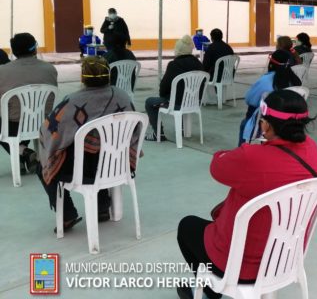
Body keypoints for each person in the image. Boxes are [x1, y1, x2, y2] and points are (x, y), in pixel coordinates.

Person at [176, 89, 317, 299]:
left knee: (187, 226)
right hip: (284, 258)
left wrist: (249, 146)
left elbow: (217, 166)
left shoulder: (252, 157)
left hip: (242, 266)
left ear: (265, 124)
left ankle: (210, 288)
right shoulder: (312, 149)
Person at [33, 56, 137, 231]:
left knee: (45, 163)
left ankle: (67, 215)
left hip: (86, 170)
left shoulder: (73, 101)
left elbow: (49, 131)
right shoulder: (123, 96)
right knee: (98, 148)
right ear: (109, 76)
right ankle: (102, 207)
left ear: (82, 78)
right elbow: (135, 131)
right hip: (118, 164)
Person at [0, 33, 57, 174]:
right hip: (44, 123)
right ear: (34, 49)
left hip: (13, 125)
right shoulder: (50, 69)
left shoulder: (3, 71)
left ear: (13, 51)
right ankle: (24, 157)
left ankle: (23, 152)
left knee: (6, 120)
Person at [144, 35, 204, 141]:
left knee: (149, 102)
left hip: (177, 103)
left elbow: (163, 89)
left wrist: (164, 94)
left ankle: (158, 134)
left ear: (177, 50)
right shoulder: (198, 63)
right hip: (194, 102)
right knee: (180, 95)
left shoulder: (174, 65)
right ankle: (182, 129)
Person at [239, 50, 302, 145]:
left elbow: (250, 100)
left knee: (246, 122)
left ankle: (242, 150)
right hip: (290, 121)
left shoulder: (266, 81)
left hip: (268, 122)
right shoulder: (294, 80)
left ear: (271, 64)